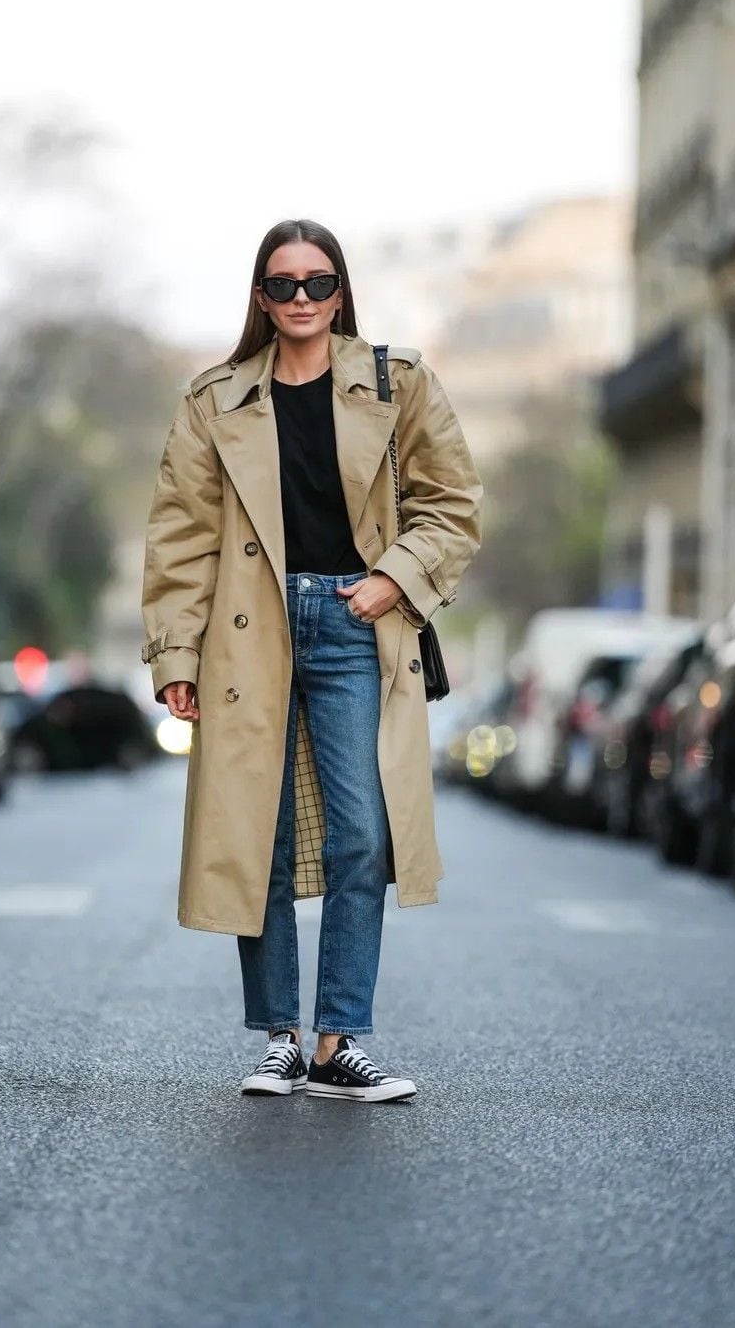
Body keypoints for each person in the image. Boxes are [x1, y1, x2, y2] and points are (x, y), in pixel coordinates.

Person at [140, 218, 482, 1102]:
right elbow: (181, 536)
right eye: (283, 284)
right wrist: (176, 650)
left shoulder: (397, 384)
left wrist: (391, 582)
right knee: (262, 829)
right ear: (260, 296)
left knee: (363, 833)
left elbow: (453, 505)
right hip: (247, 630)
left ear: (341, 291)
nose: (301, 299)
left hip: (354, 620)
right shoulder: (213, 399)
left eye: (318, 282)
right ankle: (281, 1040)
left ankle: (338, 1041)